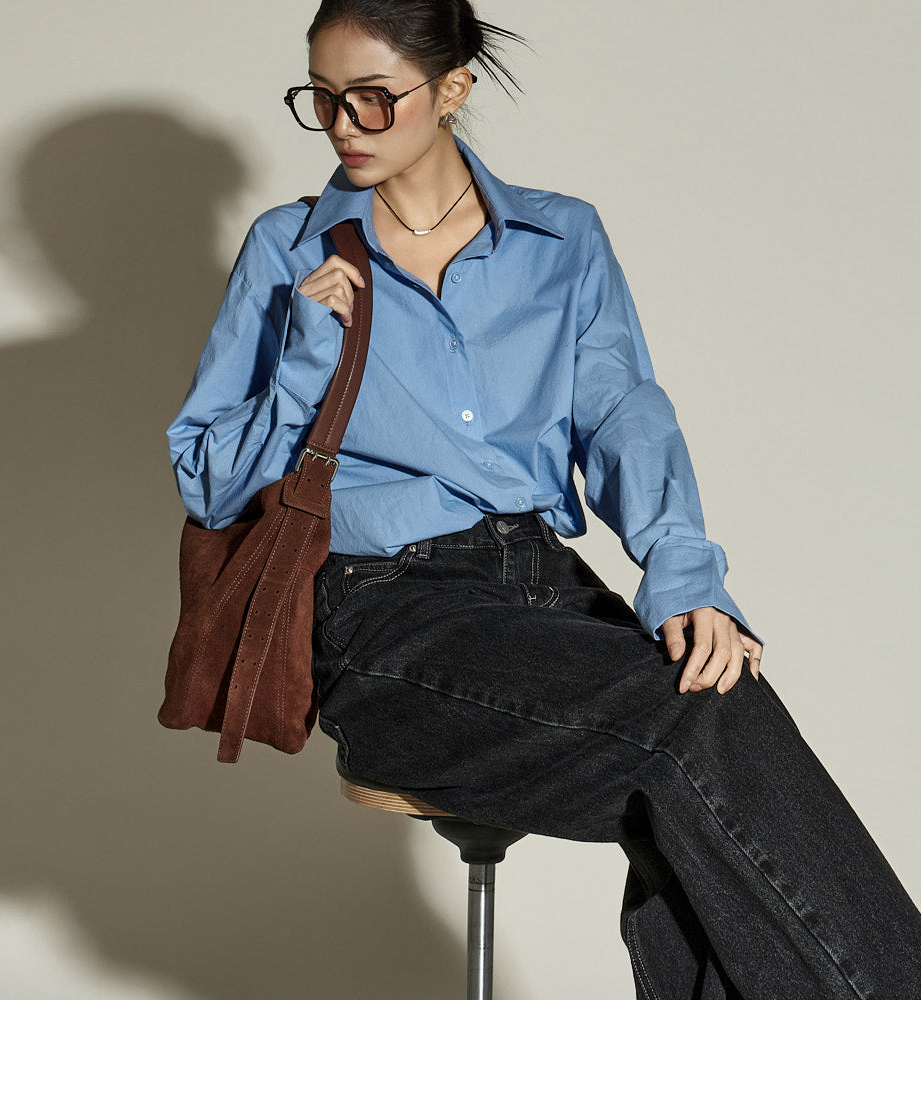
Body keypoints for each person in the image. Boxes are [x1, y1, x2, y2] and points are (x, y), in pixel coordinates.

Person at [167, 0, 921, 998]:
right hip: (381, 605)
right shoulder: (289, 249)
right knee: (692, 739)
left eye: (373, 98)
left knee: (718, 705)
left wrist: (685, 572)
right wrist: (306, 363)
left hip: (541, 583)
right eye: (323, 98)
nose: (344, 124)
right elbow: (211, 479)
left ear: (453, 88)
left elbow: (621, 413)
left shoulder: (562, 239)